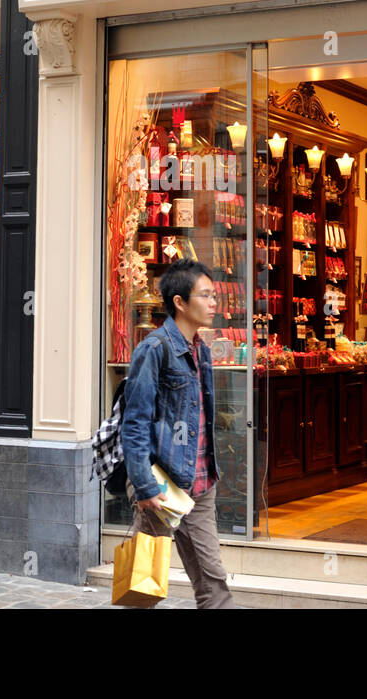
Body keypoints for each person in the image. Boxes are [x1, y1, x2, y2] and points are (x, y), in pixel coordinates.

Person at [119, 259, 235, 609]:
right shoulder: (154, 349)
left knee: (213, 581)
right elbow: (134, 423)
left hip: (200, 484)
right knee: (144, 585)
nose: (214, 303)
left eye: (214, 295)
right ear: (180, 302)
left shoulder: (201, 349)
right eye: (205, 295)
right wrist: (144, 486)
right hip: (162, 486)